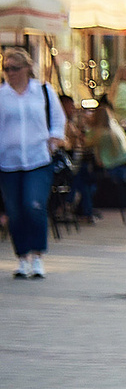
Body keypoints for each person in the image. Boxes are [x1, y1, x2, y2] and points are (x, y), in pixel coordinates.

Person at [1, 45, 69, 279]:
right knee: (15, 211)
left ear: (27, 68)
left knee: (34, 205)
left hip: (38, 158)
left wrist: (55, 137)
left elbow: (58, 118)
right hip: (8, 161)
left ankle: (38, 256)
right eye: (6, 69)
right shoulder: (2, 95)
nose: (10, 73)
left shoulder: (43, 91)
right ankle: (22, 257)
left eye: (14, 68)